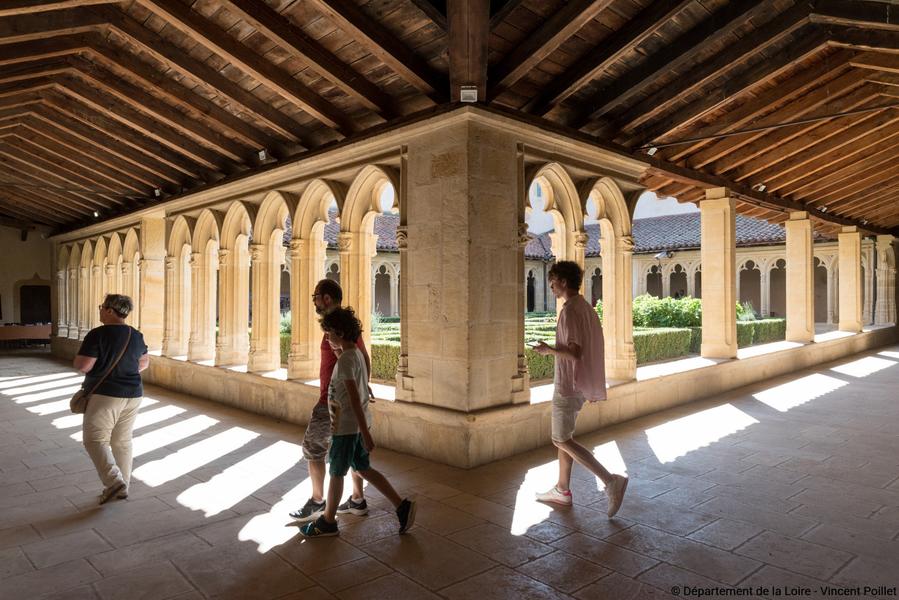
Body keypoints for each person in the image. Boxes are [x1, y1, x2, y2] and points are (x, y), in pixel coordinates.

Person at [300, 307, 415, 537]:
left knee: (336, 473)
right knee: (363, 468)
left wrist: (365, 432)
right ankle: (401, 506)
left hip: (347, 429)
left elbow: (352, 398)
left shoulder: (345, 362)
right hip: (354, 427)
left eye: (329, 333)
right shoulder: (355, 356)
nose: (327, 337)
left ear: (340, 332)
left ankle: (328, 521)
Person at [533, 261, 628, 517]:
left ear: (563, 281)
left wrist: (548, 349)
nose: (551, 286)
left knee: (560, 439)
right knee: (565, 438)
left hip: (568, 383)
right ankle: (562, 490)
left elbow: (575, 352)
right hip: (578, 383)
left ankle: (611, 481)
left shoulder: (571, 311)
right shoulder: (586, 307)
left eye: (553, 281)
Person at [290, 279, 371, 523]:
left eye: (315, 296)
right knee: (354, 450)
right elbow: (364, 359)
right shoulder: (343, 325)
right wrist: (363, 384)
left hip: (331, 401)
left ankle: (318, 502)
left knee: (313, 448)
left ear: (326, 298)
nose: (313, 300)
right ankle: (357, 499)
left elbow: (357, 358)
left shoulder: (336, 328)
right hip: (340, 399)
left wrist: (361, 386)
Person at [73, 294, 149, 505]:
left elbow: (83, 366)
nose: (99, 310)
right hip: (134, 393)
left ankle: (114, 482)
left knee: (95, 439)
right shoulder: (135, 334)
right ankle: (122, 487)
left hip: (106, 395)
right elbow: (144, 363)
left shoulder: (98, 334)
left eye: (101, 307)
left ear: (109, 310)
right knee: (122, 441)